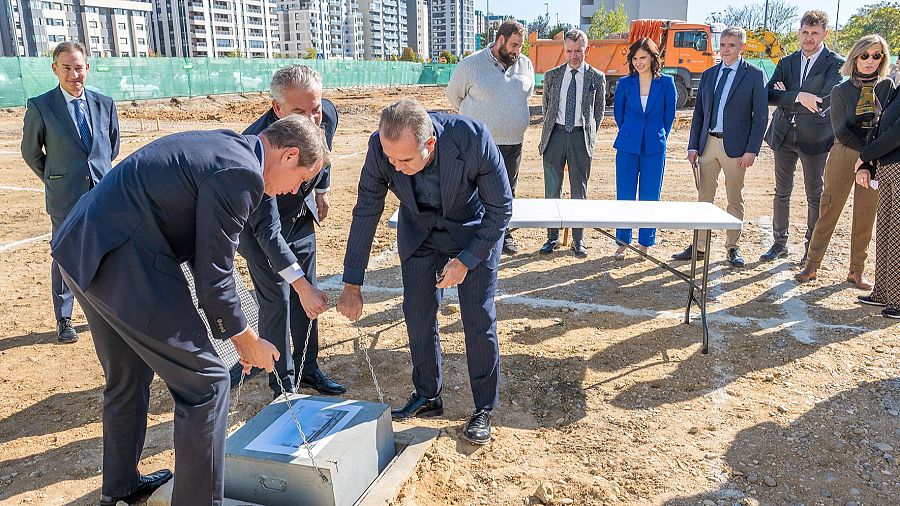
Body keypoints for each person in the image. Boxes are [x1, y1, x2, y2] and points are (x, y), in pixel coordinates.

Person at [50, 116, 329, 505]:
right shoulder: (243, 174)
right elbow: (215, 276)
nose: (294, 191)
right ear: (290, 155)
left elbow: (205, 258)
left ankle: (121, 487)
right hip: (125, 261)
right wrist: (246, 339)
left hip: (85, 248)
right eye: (301, 180)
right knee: (208, 384)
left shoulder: (230, 148)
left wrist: (239, 335)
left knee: (128, 374)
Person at [336, 98, 512, 445]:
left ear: (429, 144)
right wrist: (352, 284)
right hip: (419, 233)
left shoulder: (473, 139)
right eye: (391, 159)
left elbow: (501, 209)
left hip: (472, 231)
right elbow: (367, 209)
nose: (395, 167)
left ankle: (483, 408)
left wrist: (466, 260)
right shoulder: (382, 147)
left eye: (404, 160)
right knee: (417, 313)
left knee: (478, 317)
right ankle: (428, 394)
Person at [239, 65, 344, 398]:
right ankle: (283, 385)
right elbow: (268, 231)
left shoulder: (326, 115)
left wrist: (321, 190)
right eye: (300, 112)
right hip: (261, 230)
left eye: (315, 109)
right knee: (278, 299)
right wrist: (297, 284)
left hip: (299, 217)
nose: (311, 120)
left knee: (307, 293)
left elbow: (323, 154)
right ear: (277, 108)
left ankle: (307, 367)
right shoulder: (256, 148)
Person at [21, 41, 119, 344]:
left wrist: (96, 176)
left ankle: (109, 312)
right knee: (66, 255)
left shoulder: (105, 103)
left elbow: (111, 146)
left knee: (108, 251)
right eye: (67, 68)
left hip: (102, 193)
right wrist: (56, 179)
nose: (74, 74)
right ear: (55, 69)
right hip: (65, 197)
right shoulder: (41, 106)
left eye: (79, 68)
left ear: (87, 68)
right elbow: (30, 152)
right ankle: (64, 318)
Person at [795, 35, 893, 288]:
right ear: (855, 57)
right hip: (846, 151)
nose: (870, 60)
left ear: (882, 59)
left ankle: (856, 270)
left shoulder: (887, 88)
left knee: (866, 214)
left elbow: (886, 126)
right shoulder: (841, 90)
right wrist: (865, 155)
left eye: (876, 55)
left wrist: (870, 159)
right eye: (865, 55)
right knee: (829, 208)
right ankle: (812, 264)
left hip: (875, 155)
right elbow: (841, 131)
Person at [671, 27, 767, 267]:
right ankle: (699, 246)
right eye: (722, 45)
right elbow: (699, 114)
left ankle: (732, 247)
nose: (726, 49)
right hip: (708, 145)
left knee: (734, 197)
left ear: (742, 47)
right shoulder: (709, 74)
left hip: (736, 148)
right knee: (704, 198)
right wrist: (693, 146)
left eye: (731, 45)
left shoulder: (754, 75)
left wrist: (752, 150)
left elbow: (760, 117)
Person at [761, 10, 844, 263]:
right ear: (799, 32)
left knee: (814, 194)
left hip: (816, 138)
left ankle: (811, 248)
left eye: (814, 33)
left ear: (824, 34)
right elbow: (770, 95)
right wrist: (799, 96)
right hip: (783, 133)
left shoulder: (835, 63)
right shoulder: (786, 62)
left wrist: (789, 95)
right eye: (805, 32)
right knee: (781, 191)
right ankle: (779, 242)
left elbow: (823, 102)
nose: (809, 38)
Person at [446, 20, 533, 255]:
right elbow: (454, 96)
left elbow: (525, 95)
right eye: (514, 45)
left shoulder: (525, 64)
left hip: (512, 144)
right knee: (473, 191)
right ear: (501, 40)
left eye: (520, 46)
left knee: (506, 193)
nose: (517, 51)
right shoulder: (470, 65)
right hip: (477, 145)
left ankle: (503, 236)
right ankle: (471, 236)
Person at [537, 29, 606, 258]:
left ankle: (578, 240)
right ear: (563, 50)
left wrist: (587, 133)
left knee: (579, 190)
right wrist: (552, 131)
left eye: (578, 50)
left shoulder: (596, 77)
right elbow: (547, 108)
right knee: (552, 189)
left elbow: (598, 113)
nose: (573, 55)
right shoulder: (552, 76)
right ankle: (552, 237)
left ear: (587, 49)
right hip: (555, 136)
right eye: (569, 51)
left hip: (580, 137)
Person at [612, 37, 677, 260]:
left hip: (654, 146)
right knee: (625, 194)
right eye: (635, 58)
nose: (638, 62)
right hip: (627, 145)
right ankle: (622, 242)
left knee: (650, 195)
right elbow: (619, 115)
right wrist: (632, 132)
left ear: (653, 58)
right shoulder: (624, 83)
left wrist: (656, 136)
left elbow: (669, 116)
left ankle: (645, 244)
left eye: (643, 58)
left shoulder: (667, 83)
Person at [855, 67, 900, 319]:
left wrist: (864, 155)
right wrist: (869, 163)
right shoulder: (895, 90)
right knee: (885, 231)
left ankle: (898, 298)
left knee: (897, 235)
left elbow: (896, 134)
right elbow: (879, 126)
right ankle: (884, 292)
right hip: (888, 168)